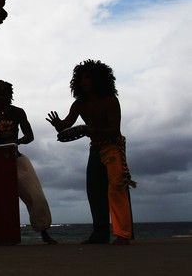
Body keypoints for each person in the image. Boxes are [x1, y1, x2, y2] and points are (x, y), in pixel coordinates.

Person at [46, 60, 134, 245]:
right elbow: (65, 126)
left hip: (113, 147)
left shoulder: (110, 100)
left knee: (116, 189)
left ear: (98, 79)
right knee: (94, 191)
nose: (83, 81)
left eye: (88, 78)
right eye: (81, 78)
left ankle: (123, 234)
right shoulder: (79, 105)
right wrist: (57, 124)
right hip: (95, 149)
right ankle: (100, 235)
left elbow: (114, 130)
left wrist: (92, 130)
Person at [0, 80, 57, 245]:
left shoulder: (18, 112)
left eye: (5, 91)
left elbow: (30, 136)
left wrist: (16, 141)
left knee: (34, 194)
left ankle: (44, 231)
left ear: (10, 95)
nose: (1, 94)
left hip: (15, 158)